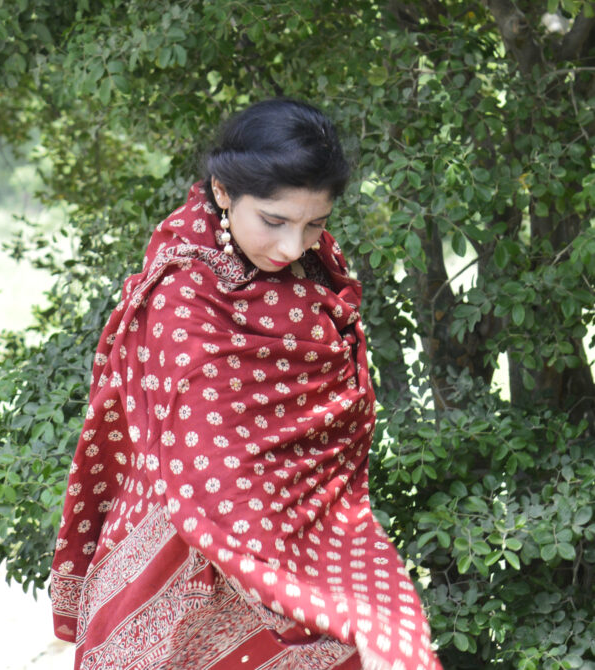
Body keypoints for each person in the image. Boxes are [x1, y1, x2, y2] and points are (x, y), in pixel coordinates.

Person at [50, 99, 442, 670]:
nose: (291, 246)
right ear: (224, 192)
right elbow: (211, 462)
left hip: (304, 540)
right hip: (177, 563)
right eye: (275, 222)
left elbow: (318, 444)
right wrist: (305, 593)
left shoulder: (317, 277)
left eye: (315, 224)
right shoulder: (183, 297)